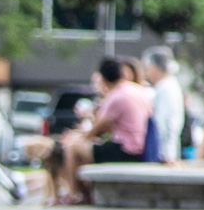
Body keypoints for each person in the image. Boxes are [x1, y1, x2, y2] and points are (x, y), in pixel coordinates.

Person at [62, 56, 150, 198]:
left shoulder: (116, 95)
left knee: (73, 147)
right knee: (87, 146)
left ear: (103, 79)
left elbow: (96, 129)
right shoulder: (136, 90)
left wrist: (78, 136)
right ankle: (86, 192)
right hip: (141, 146)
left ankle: (75, 195)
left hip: (126, 151)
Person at [143, 47, 185, 163]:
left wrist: (166, 155)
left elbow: (164, 125)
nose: (146, 73)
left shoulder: (165, 89)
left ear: (154, 67)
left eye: (147, 69)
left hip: (164, 154)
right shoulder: (169, 85)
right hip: (169, 151)